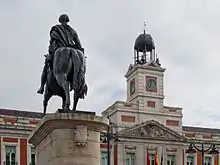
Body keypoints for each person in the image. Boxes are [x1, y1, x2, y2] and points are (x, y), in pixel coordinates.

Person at [37, 14, 84, 94]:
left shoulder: (55, 29)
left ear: (60, 20)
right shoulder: (73, 31)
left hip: (59, 50)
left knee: (46, 65)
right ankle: (82, 83)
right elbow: (79, 44)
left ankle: (41, 87)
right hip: (74, 50)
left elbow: (52, 42)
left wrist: (50, 53)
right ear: (67, 20)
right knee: (81, 68)